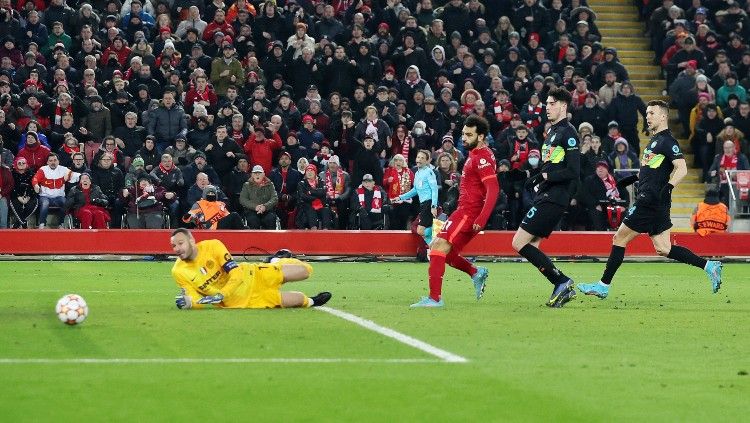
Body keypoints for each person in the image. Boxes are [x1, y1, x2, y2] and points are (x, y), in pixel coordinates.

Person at [578, 100, 723, 299]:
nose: (647, 116)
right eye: (647, 113)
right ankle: (709, 266)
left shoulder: (667, 141)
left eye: (652, 113)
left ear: (663, 116)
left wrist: (669, 187)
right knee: (664, 248)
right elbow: (649, 171)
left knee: (619, 238)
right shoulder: (655, 141)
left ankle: (603, 285)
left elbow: (682, 168)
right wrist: (628, 180)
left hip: (650, 200)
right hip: (657, 201)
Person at [411, 115, 498, 308]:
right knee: (447, 254)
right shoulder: (475, 154)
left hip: (469, 213)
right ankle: (476, 273)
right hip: (465, 211)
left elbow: (493, 189)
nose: (464, 138)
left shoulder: (482, 157)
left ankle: (435, 299)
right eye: (463, 134)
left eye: (469, 134)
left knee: (437, 247)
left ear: (481, 136)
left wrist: (482, 217)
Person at [512, 87, 580, 308]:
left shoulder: (569, 133)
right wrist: (536, 177)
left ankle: (561, 281)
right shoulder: (551, 132)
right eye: (547, 104)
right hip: (546, 193)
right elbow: (550, 164)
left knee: (519, 242)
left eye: (551, 104)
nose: (547, 107)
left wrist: (545, 175)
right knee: (532, 244)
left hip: (555, 196)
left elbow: (573, 171)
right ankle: (560, 284)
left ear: (563, 106)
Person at [170, 228, 332, 309]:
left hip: (252, 275)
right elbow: (195, 299)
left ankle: (274, 261)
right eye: (173, 246)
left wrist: (221, 294)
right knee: (300, 300)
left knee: (306, 271)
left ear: (192, 240)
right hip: (243, 301)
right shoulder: (179, 271)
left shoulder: (213, 245)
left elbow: (236, 273)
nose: (176, 249)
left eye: (180, 243)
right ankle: (313, 301)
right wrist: (189, 303)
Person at [396, 150, 439, 244]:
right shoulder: (417, 173)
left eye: (422, 158)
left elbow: (434, 189)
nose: (419, 159)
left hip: (429, 203)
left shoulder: (429, 172)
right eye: (418, 157)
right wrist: (400, 197)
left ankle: (439, 232)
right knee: (423, 233)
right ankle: (434, 250)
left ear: (427, 161)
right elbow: (415, 190)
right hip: (423, 204)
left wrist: (433, 206)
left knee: (421, 231)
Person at [32, 152, 80, 228]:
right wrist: (36, 185)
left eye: (55, 160)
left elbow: (76, 175)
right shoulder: (43, 169)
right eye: (50, 161)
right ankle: (42, 224)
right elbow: (35, 179)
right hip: (45, 196)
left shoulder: (64, 169)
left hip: (59, 197)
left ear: (58, 161)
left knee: (65, 203)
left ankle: (60, 223)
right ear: (47, 162)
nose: (53, 162)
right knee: (45, 204)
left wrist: (84, 176)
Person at [239, 165, 278, 229]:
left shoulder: (270, 184)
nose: (257, 175)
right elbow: (243, 199)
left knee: (270, 219)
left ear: (263, 174)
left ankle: (270, 238)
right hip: (251, 210)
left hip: (267, 210)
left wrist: (265, 206)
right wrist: (255, 207)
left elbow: (275, 198)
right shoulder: (247, 185)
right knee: (253, 220)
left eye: (259, 173)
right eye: (255, 173)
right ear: (252, 175)